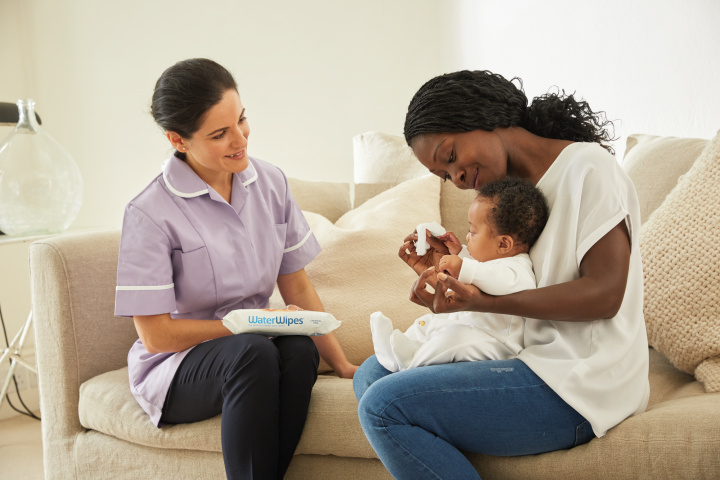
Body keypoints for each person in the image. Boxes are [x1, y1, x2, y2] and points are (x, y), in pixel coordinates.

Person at [353, 70, 650, 479]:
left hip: (583, 381)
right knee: (373, 373)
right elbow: (518, 278)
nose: (456, 179)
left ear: (481, 115)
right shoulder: (504, 196)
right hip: (527, 359)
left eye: (451, 156)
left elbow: (604, 294)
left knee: (382, 404)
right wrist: (455, 267)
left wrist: (484, 300)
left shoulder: (588, 169)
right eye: (444, 175)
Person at [114, 58, 357, 480]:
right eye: (219, 134)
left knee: (298, 350)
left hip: (253, 344)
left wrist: (341, 363)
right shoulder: (149, 213)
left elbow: (295, 281)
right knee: (253, 351)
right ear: (178, 139)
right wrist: (244, 326)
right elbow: (156, 336)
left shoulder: (270, 183)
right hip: (176, 366)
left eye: (241, 120)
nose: (240, 139)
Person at [371, 177, 547, 371]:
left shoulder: (518, 269)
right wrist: (459, 253)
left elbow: (495, 279)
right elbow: (482, 270)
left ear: (503, 244)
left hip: (495, 344)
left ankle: (409, 362)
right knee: (429, 323)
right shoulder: (491, 261)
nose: (467, 236)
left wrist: (462, 266)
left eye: (473, 231)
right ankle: (399, 348)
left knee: (453, 339)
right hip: (470, 328)